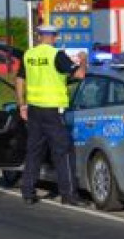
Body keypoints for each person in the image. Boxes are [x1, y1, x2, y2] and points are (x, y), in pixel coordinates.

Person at [15, 24, 87, 206]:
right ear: (54, 37)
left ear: (39, 36)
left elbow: (19, 79)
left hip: (34, 110)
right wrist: (83, 60)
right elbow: (80, 74)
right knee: (63, 152)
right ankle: (69, 195)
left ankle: (28, 192)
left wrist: (21, 105)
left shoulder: (29, 55)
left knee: (34, 152)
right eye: (55, 36)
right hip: (53, 111)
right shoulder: (57, 55)